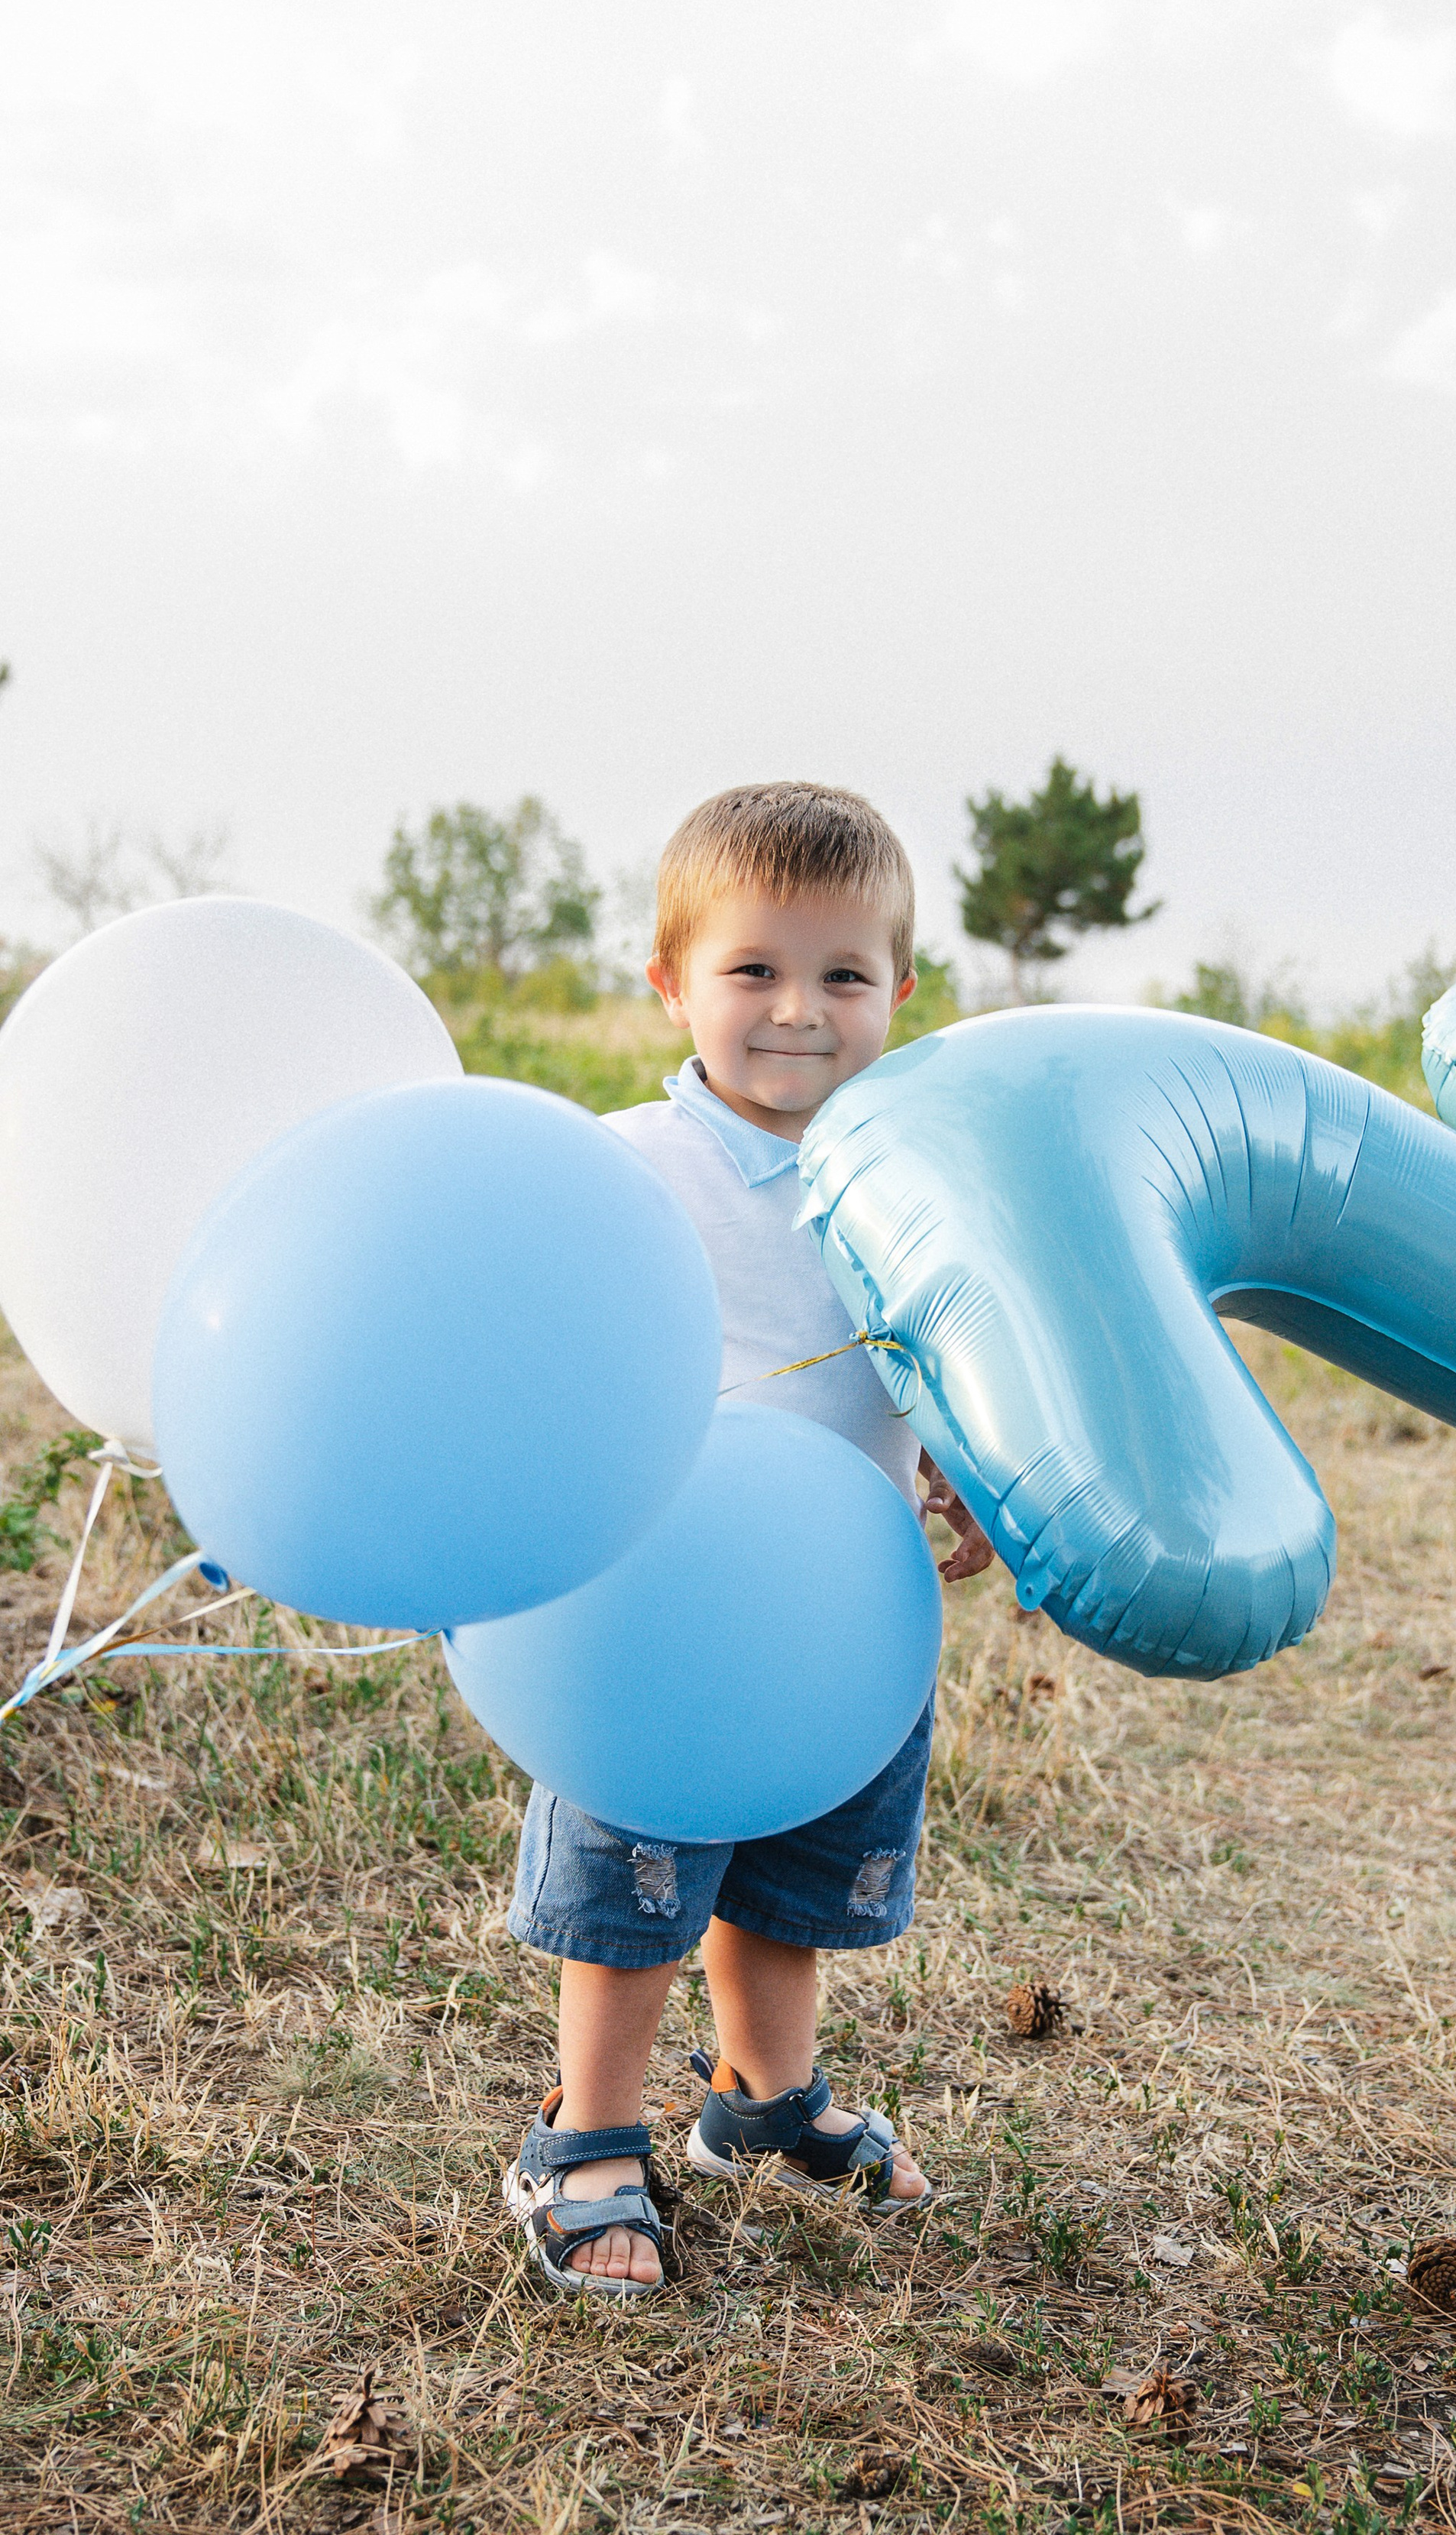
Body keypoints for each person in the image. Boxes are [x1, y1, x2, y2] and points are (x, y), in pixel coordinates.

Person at [501, 781, 993, 2297]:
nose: (798, 1010)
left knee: (793, 1870)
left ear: (900, 990)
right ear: (670, 982)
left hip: (845, 1612)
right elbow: (539, 1344)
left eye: (844, 974)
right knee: (639, 1883)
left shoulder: (910, 1182)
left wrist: (964, 1463)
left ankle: (763, 2100)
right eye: (753, 970)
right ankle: (585, 2133)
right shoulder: (622, 1163)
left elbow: (932, 1350)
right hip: (656, 1612)